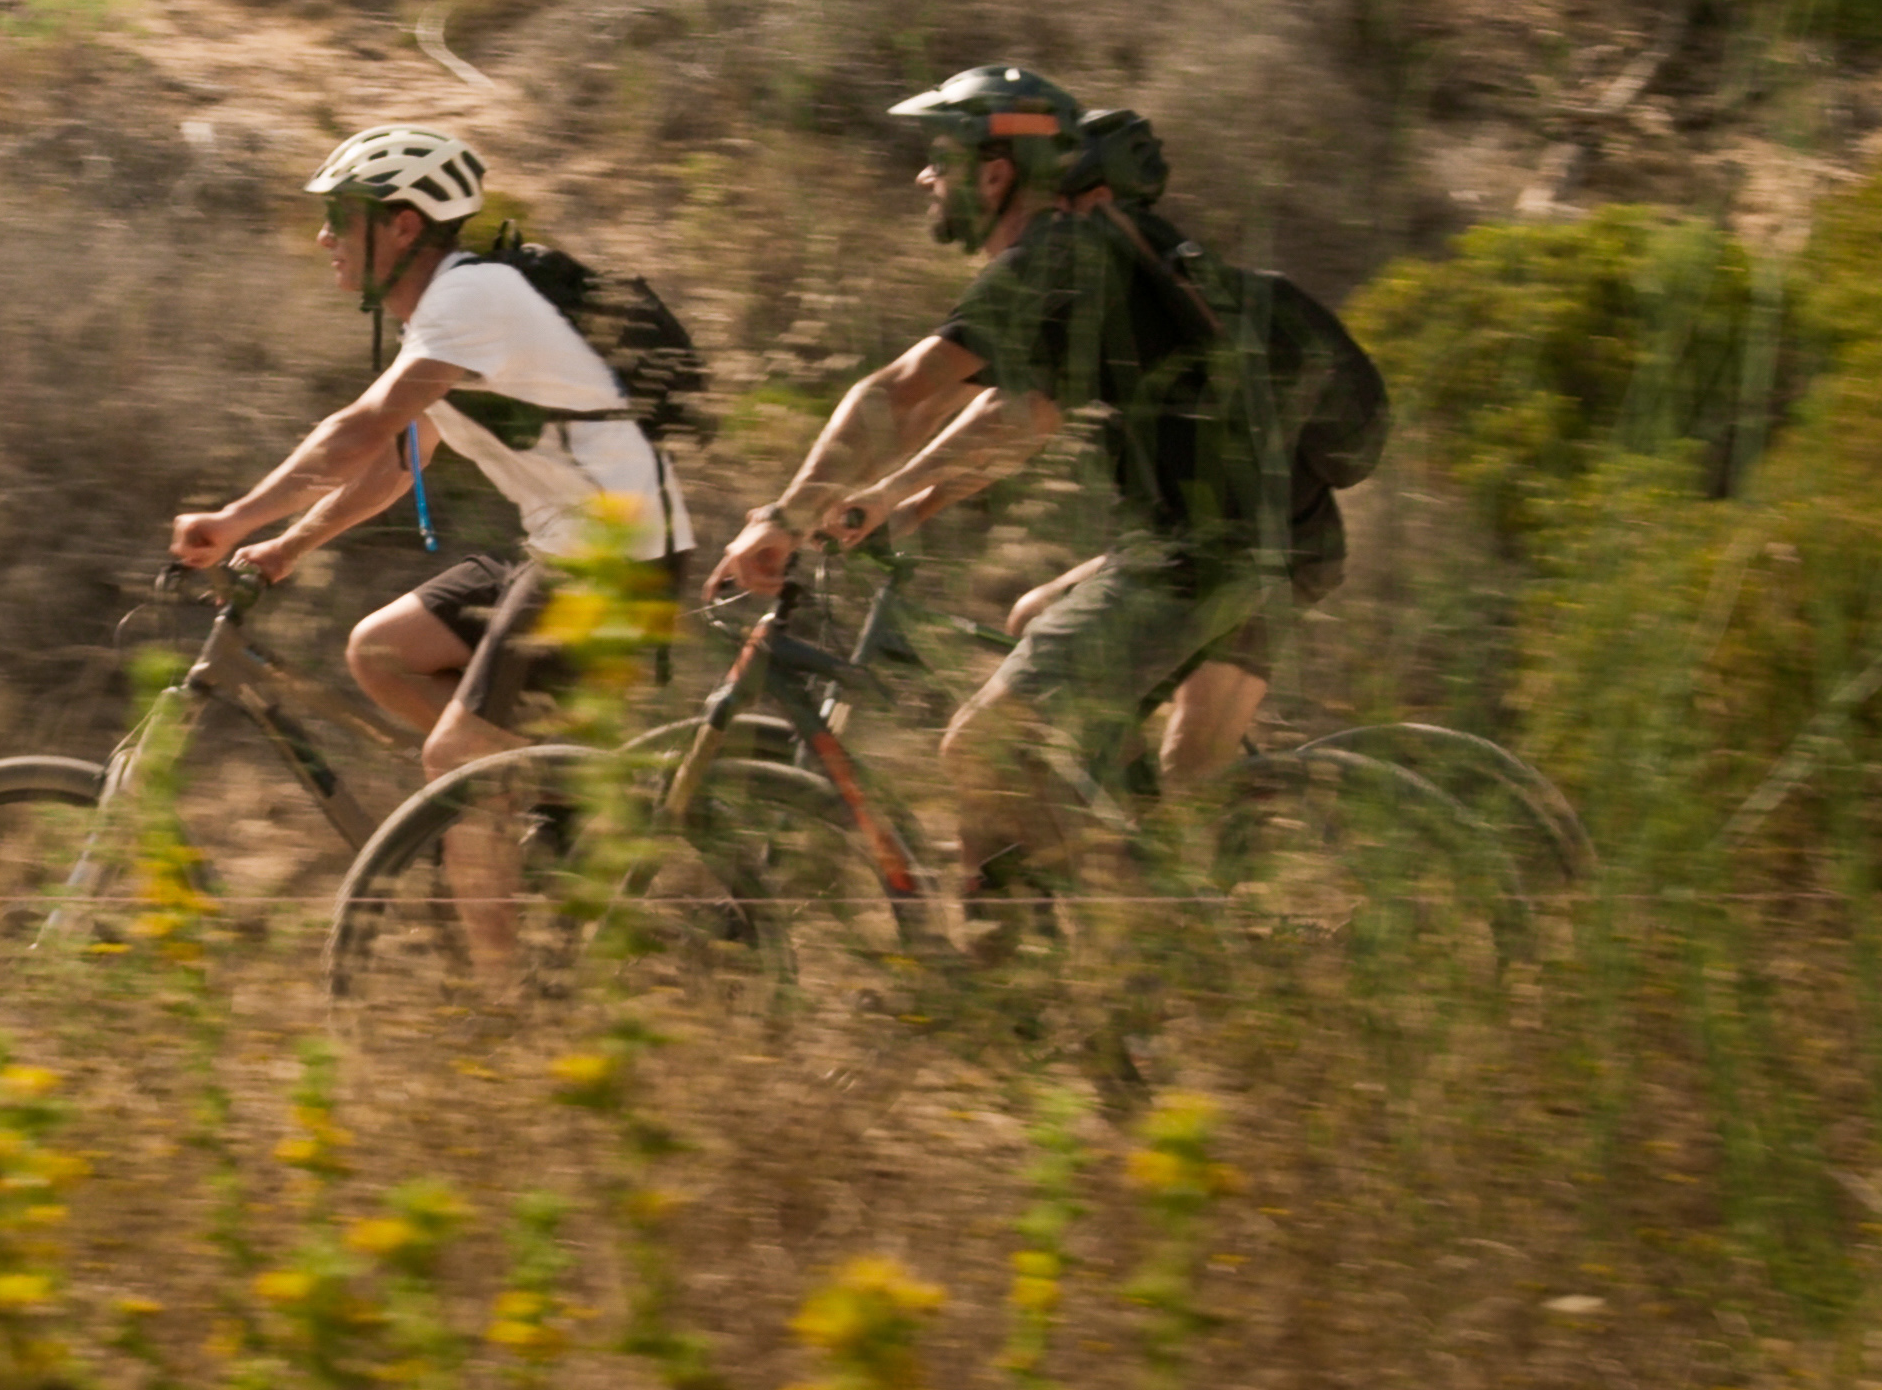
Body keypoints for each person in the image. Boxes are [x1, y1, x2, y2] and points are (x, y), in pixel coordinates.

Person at [705, 66, 1339, 952]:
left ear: (994, 172)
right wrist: (903, 499)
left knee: (983, 748)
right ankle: (1150, 903)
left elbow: (901, 391)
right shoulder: (1108, 253)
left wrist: (781, 517)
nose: (924, 177)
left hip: (1201, 555)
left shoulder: (1051, 258)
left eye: (940, 159)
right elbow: (1024, 416)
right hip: (1281, 538)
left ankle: (1098, 959)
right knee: (1034, 619)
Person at [169, 125, 696, 954]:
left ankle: (504, 1000)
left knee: (457, 762)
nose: (325, 237)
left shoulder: (472, 299)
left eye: (341, 217)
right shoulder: (447, 318)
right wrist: (289, 547)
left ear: (404, 225)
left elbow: (359, 430)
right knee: (381, 651)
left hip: (616, 560)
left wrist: (236, 518)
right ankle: (559, 794)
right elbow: (397, 459)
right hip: (570, 550)